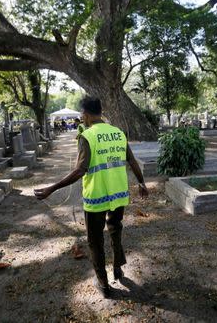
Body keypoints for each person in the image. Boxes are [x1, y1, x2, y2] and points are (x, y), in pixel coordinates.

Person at [34, 96, 148, 298]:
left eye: (81, 114)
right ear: (100, 112)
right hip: (118, 193)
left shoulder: (88, 136)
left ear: (85, 115)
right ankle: (118, 268)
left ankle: (103, 283)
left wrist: (52, 188)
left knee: (95, 240)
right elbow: (131, 160)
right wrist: (141, 183)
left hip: (97, 197)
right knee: (115, 229)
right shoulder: (118, 133)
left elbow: (80, 170)